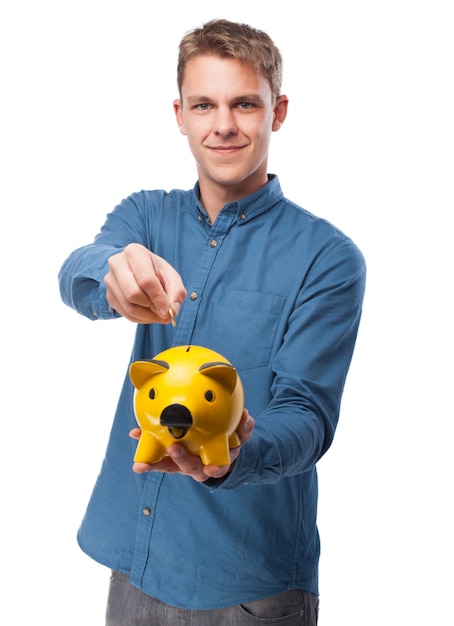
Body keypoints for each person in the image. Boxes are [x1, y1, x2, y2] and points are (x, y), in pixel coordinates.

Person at [58, 18, 366, 626]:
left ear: (277, 112)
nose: (223, 124)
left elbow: (308, 415)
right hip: (137, 564)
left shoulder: (327, 258)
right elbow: (78, 271)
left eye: (243, 103)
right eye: (204, 104)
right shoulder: (146, 215)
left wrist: (236, 450)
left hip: (252, 587)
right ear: (180, 114)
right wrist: (114, 275)